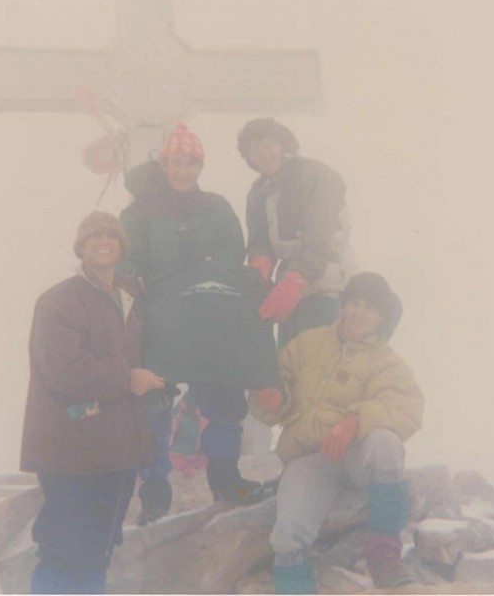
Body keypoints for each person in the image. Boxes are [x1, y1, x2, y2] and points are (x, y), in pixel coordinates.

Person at [118, 123, 266, 522]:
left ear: (200, 165)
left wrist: (212, 271)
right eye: (174, 162)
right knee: (156, 401)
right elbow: (125, 254)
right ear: (164, 163)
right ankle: (154, 489)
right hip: (160, 313)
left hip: (208, 313)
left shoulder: (216, 207)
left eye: (190, 163)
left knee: (222, 395)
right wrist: (136, 275)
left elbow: (234, 250)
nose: (181, 170)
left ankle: (224, 476)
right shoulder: (139, 210)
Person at [250, 272, 424, 593]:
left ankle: (383, 556)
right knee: (287, 535)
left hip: (357, 456)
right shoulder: (308, 343)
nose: (359, 313)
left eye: (370, 308)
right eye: (354, 304)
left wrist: (354, 421)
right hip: (310, 459)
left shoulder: (389, 362)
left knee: (385, 443)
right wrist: (271, 396)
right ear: (343, 306)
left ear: (382, 317)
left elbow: (406, 409)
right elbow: (277, 384)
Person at [20, 211, 163, 594]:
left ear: (121, 246)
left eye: (111, 237)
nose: (104, 243)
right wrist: (127, 377)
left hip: (117, 445)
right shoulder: (59, 301)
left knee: (99, 545)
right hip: (70, 445)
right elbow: (62, 370)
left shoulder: (132, 295)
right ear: (81, 247)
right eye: (94, 237)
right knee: (63, 546)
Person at [237, 117, 355, 348]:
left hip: (326, 283)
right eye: (254, 150)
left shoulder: (317, 175)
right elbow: (260, 239)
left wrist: (296, 281)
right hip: (287, 289)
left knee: (317, 360)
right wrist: (259, 270)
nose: (263, 154)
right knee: (288, 360)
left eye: (269, 144)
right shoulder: (258, 192)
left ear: (283, 144)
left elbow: (321, 237)